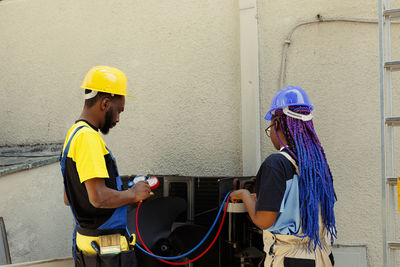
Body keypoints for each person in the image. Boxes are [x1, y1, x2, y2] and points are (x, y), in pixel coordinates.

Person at [230, 86, 337, 267]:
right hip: (322, 256)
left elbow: (264, 221)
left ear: (278, 124)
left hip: (290, 260)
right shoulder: (318, 164)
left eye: (270, 126)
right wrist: (261, 198)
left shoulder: (276, 163)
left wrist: (245, 196)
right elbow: (295, 202)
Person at [60, 66, 151, 266]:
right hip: (105, 245)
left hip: (86, 241)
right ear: (105, 103)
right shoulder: (88, 138)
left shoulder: (73, 134)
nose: (118, 118)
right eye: (119, 110)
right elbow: (98, 198)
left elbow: (69, 198)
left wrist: (124, 197)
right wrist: (133, 194)